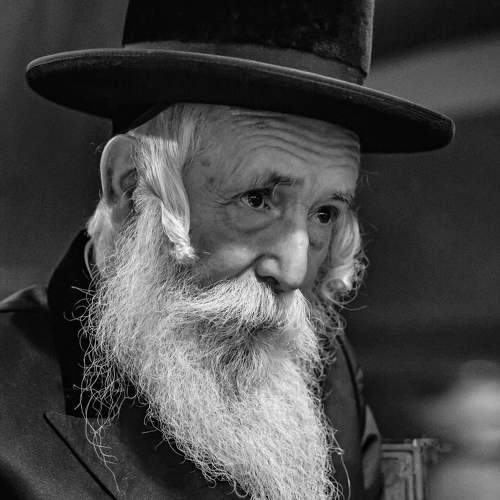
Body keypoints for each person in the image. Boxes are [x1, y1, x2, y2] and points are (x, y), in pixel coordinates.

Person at [0, 1, 454, 499]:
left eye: (324, 213)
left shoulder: (328, 376)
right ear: (131, 186)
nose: (294, 270)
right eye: (257, 199)